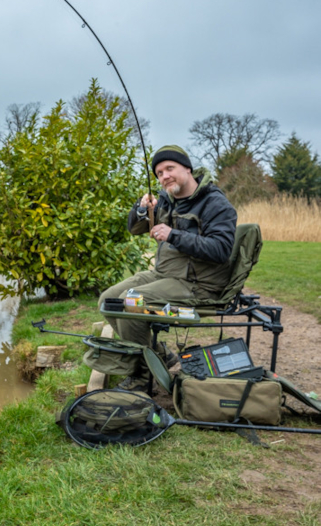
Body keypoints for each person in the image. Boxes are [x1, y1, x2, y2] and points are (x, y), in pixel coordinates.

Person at [99, 144, 238, 391]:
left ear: (187, 168)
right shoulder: (166, 199)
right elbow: (135, 228)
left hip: (198, 285)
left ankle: (143, 377)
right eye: (159, 173)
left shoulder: (214, 203)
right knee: (108, 299)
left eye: (169, 168)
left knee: (131, 302)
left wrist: (174, 235)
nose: (164, 177)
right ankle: (161, 355)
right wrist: (142, 209)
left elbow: (221, 250)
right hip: (163, 274)